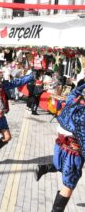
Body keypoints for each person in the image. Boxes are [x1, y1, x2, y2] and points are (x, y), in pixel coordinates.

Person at [34, 84, 85, 212]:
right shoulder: (82, 114)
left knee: (60, 165)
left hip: (60, 146)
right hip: (73, 152)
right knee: (69, 185)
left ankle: (43, 168)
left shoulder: (73, 99)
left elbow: (75, 91)